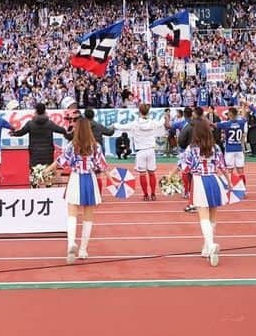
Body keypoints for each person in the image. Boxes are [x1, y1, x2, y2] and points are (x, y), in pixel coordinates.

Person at [178, 118, 229, 267]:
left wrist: (173, 176)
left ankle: (211, 245)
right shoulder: (216, 147)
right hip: (214, 180)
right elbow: (222, 166)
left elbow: (185, 168)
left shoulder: (192, 148)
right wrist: (230, 182)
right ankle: (207, 247)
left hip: (200, 181)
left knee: (203, 216)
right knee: (212, 215)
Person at [56, 117, 107, 264]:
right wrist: (113, 179)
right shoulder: (95, 146)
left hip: (76, 178)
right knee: (88, 215)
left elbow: (62, 161)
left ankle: (71, 243)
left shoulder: (72, 145)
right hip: (90, 179)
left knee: (72, 213)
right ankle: (83, 250)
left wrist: (45, 170)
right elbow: (102, 166)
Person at [112, 103, 161, 201]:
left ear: (139, 111)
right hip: (151, 150)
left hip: (141, 151)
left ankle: (146, 195)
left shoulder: (135, 124)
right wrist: (165, 117)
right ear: (148, 112)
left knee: (142, 174)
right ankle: (153, 194)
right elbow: (161, 123)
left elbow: (122, 127)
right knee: (152, 173)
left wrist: (114, 125)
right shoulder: (153, 123)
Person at [10, 102, 68, 169]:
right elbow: (62, 130)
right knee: (47, 173)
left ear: (36, 111)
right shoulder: (50, 124)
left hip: (35, 153)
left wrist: (13, 133)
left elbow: (21, 133)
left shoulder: (30, 124)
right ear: (45, 111)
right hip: (48, 153)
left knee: (35, 172)